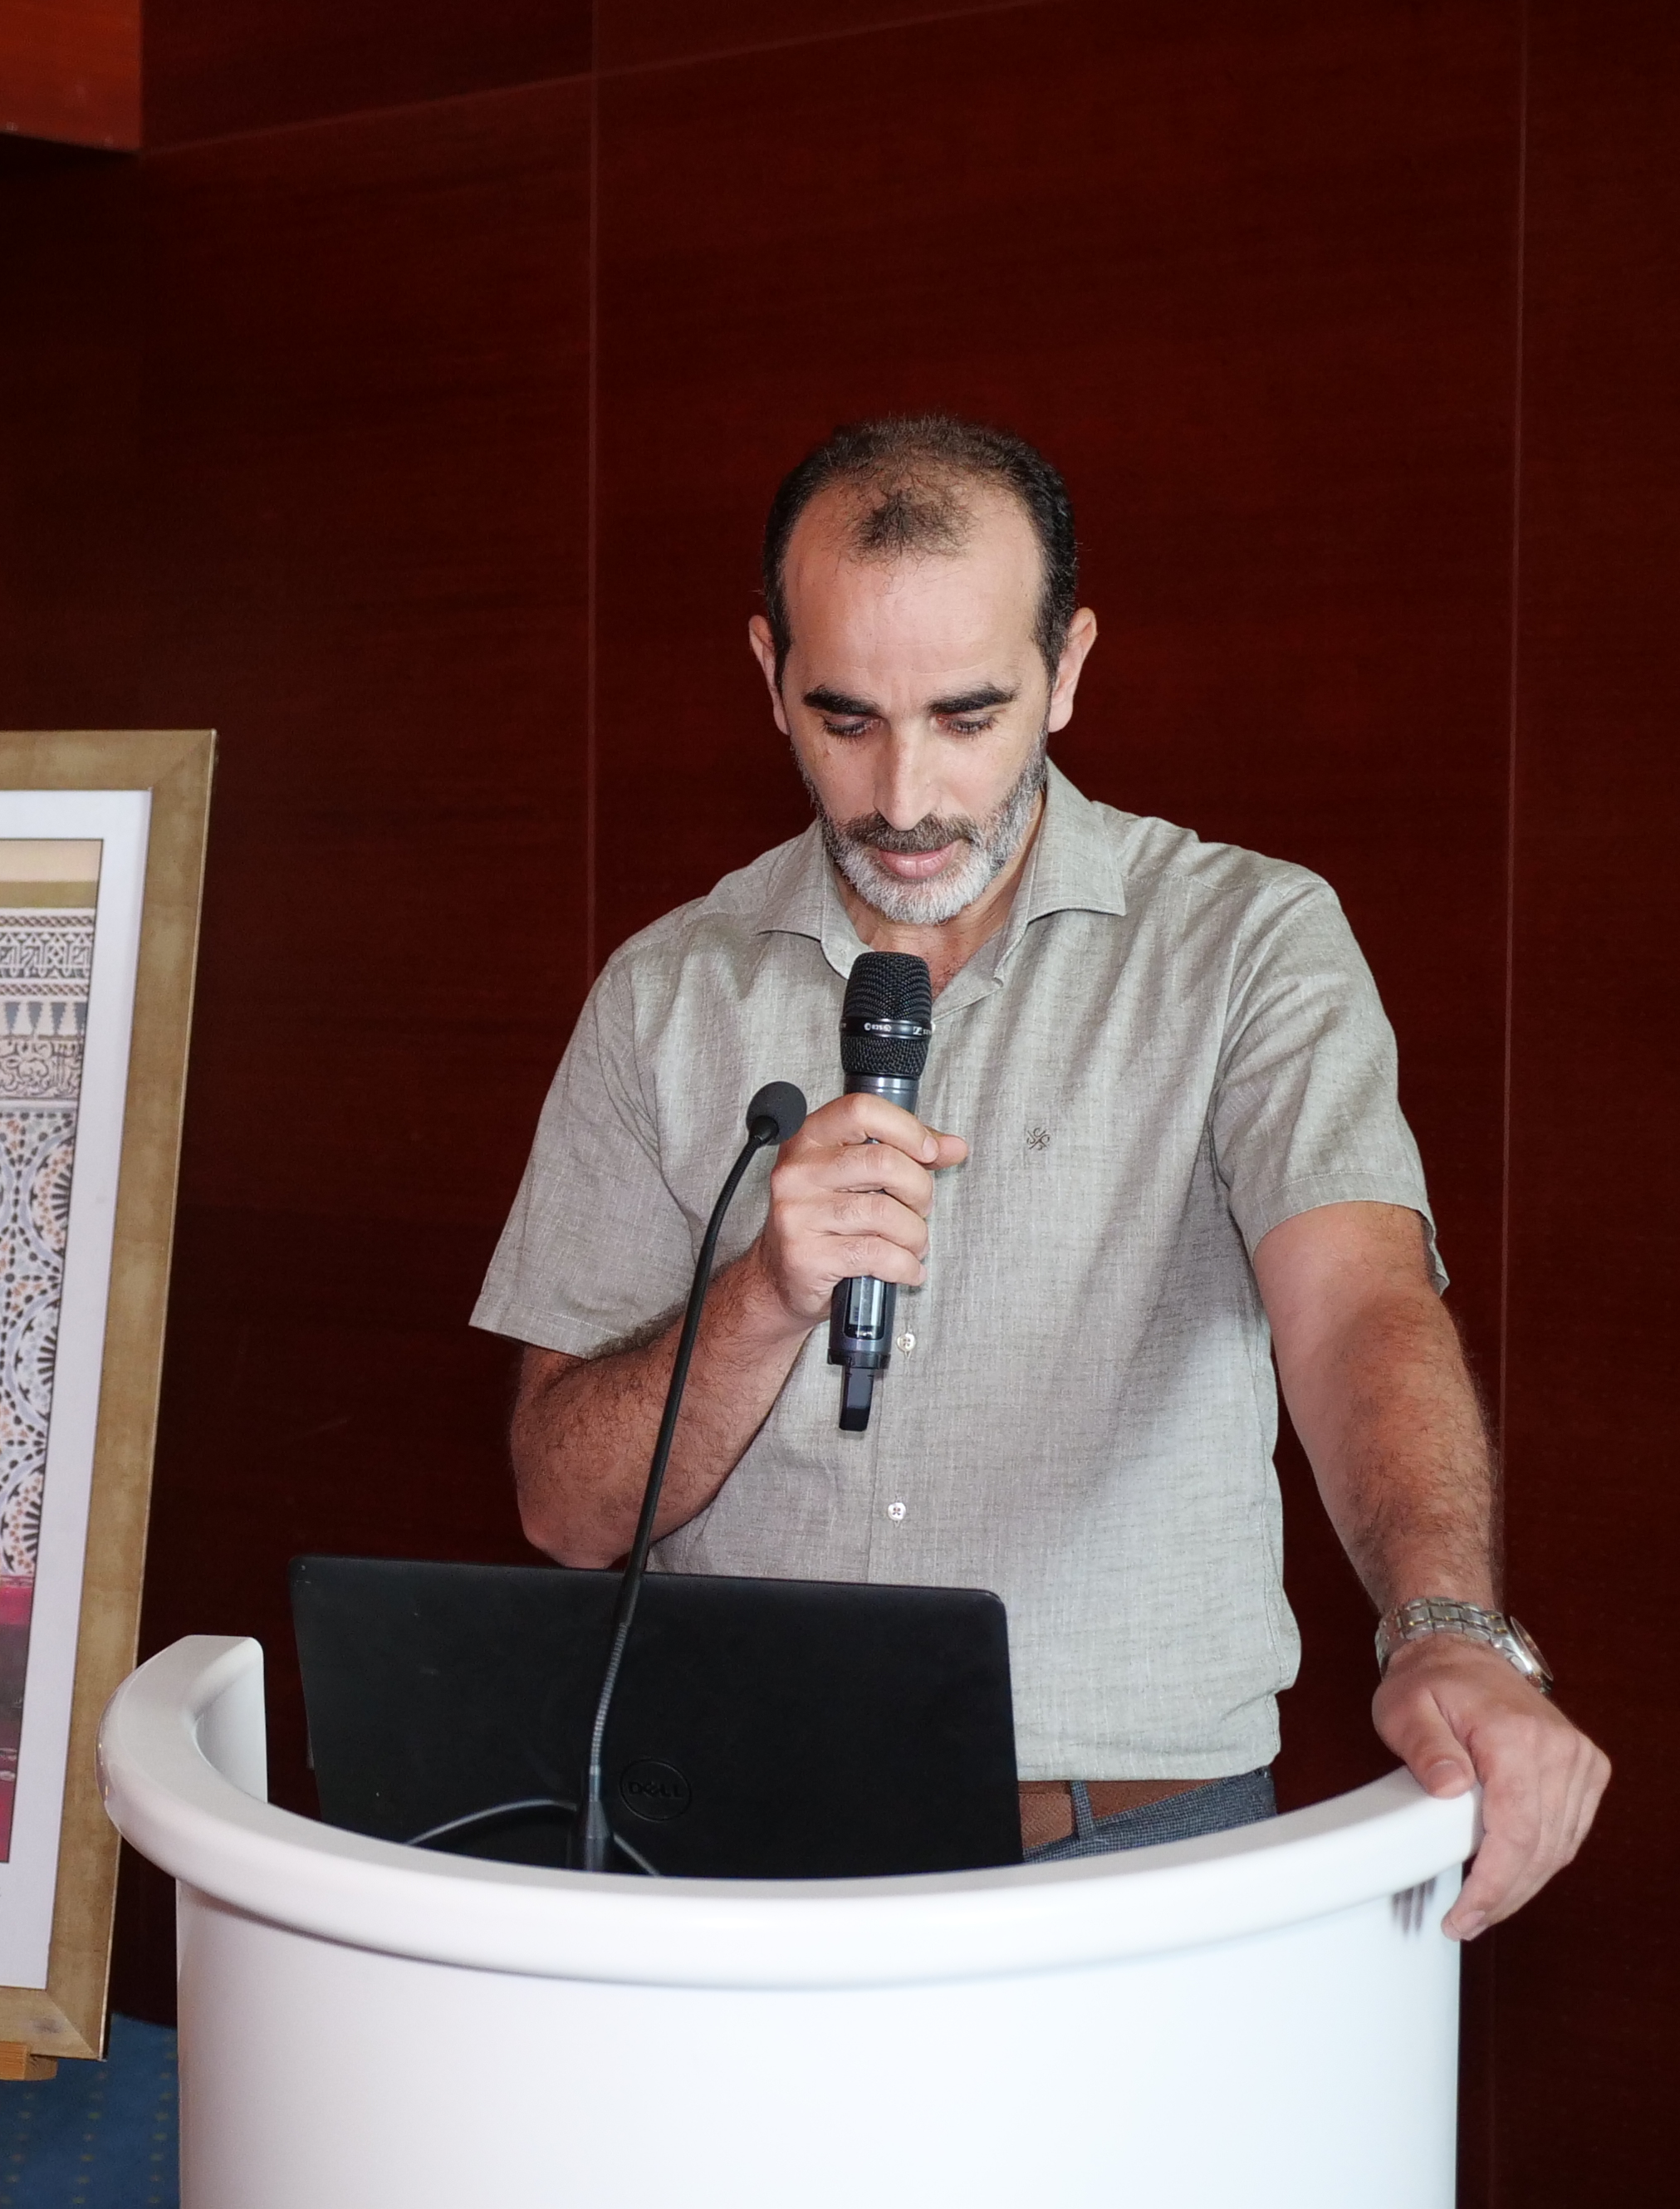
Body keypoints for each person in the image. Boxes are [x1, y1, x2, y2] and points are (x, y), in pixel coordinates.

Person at [476, 416, 1605, 1934]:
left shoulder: (1247, 944)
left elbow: (1357, 1310)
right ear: (767, 673)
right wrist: (764, 1295)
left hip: (1131, 1869)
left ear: (1067, 669)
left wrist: (1445, 1623)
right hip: (731, 1865)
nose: (904, 795)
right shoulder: (661, 994)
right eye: (845, 718)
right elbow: (565, 1509)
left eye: (968, 716)